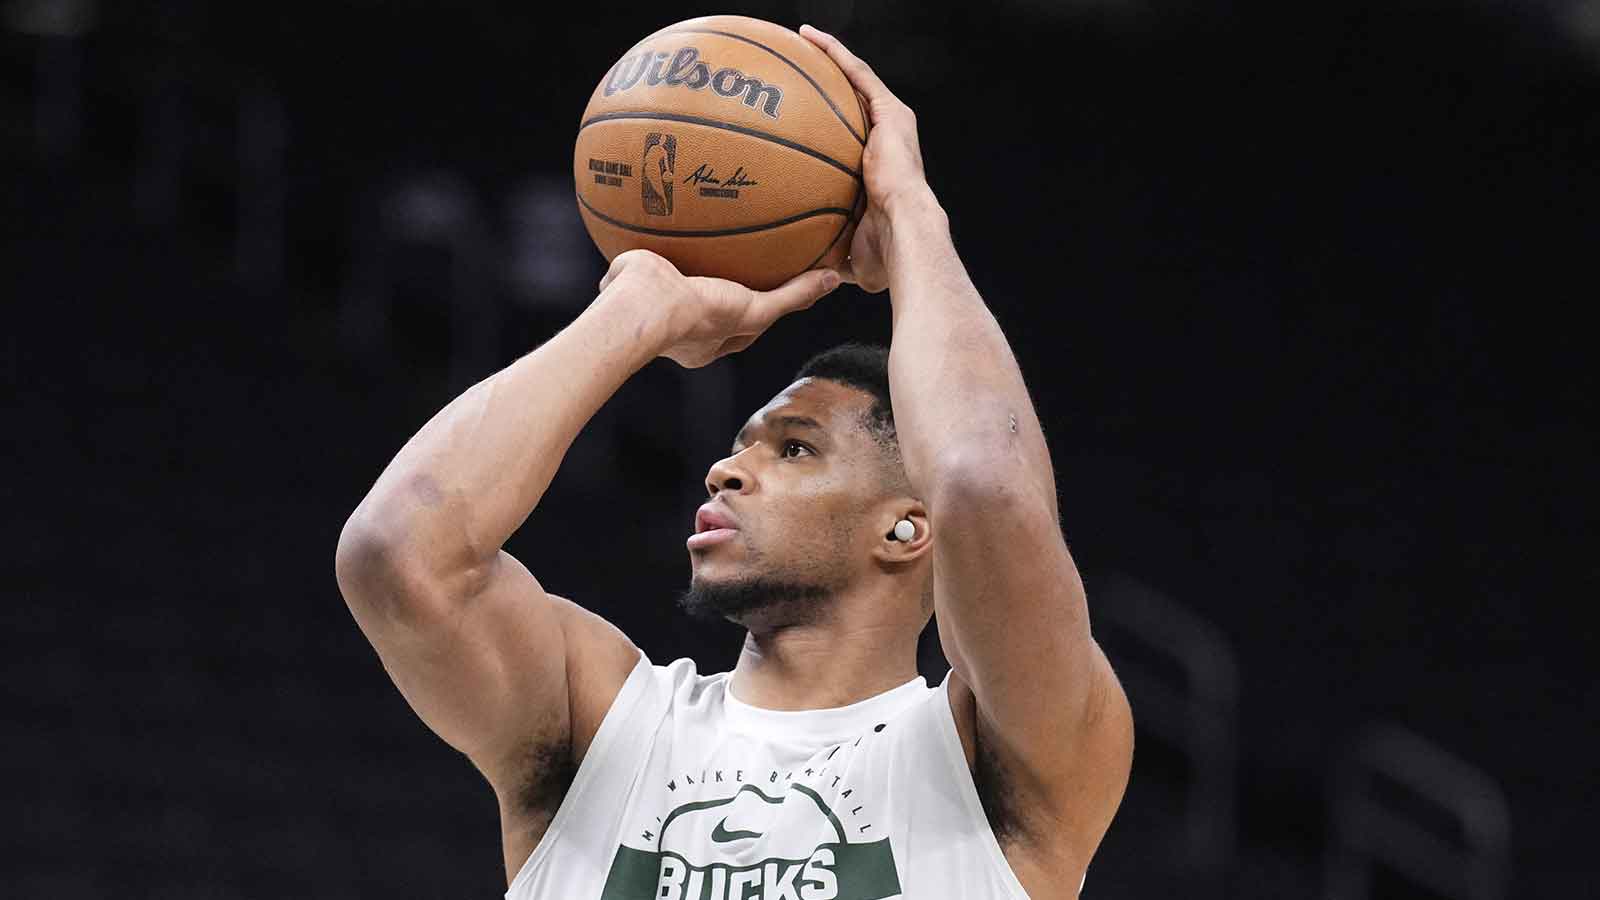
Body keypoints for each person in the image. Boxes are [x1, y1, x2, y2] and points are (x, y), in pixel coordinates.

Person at [334, 25, 1132, 900]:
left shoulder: (994, 760)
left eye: (795, 448)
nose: (726, 471)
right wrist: (639, 310)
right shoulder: (601, 725)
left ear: (908, 527)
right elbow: (396, 553)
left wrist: (909, 217)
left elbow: (986, 483)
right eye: (738, 444)